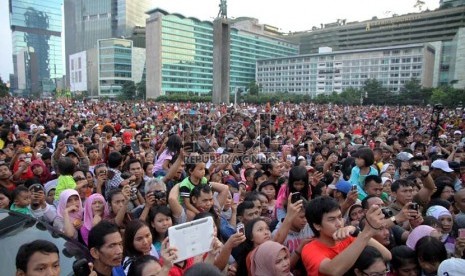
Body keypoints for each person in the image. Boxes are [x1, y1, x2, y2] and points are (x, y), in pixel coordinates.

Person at [301, 196, 391, 276]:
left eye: (340, 217)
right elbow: (334, 271)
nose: (339, 223)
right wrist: (366, 232)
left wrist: (356, 231)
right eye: (331, 219)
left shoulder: (348, 238)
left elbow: (387, 255)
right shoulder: (309, 249)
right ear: (317, 225)